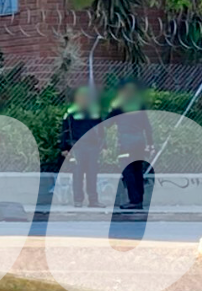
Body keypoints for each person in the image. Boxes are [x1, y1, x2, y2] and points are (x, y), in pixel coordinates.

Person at [108, 79, 153, 210]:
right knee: (137, 169)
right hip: (140, 141)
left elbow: (107, 123)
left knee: (128, 170)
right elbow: (147, 126)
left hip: (126, 141)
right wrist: (150, 143)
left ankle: (133, 200)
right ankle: (139, 199)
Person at [59, 87, 105, 208]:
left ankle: (93, 200)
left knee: (92, 173)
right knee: (78, 173)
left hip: (92, 146)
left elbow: (101, 129)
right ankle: (78, 200)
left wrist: (104, 146)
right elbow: (65, 130)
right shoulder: (71, 112)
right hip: (76, 146)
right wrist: (64, 148)